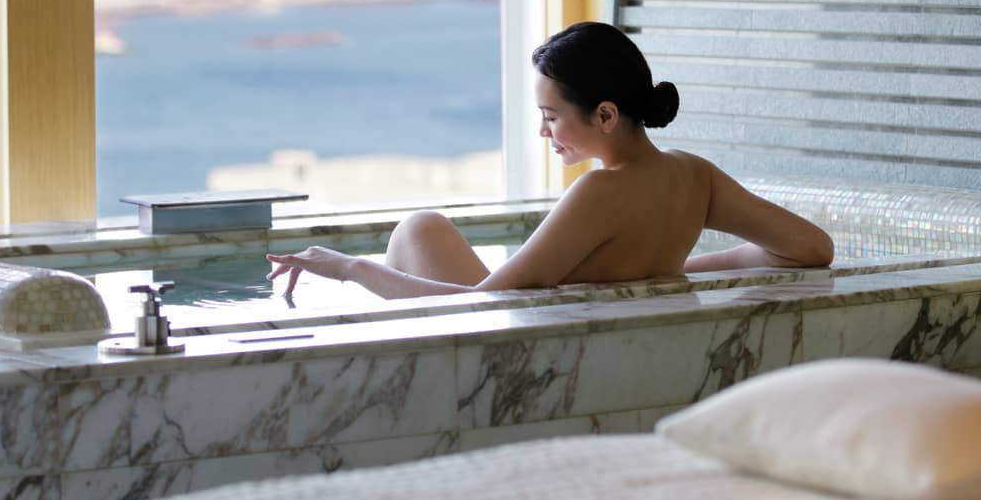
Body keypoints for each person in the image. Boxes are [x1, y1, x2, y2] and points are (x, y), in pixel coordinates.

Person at [267, 21, 833, 298]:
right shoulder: (693, 177)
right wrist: (675, 271)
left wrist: (351, 268)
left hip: (518, 353)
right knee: (428, 229)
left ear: (606, 116)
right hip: (567, 333)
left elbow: (485, 308)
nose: (542, 131)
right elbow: (812, 248)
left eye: (552, 115)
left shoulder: (599, 194)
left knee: (419, 228)